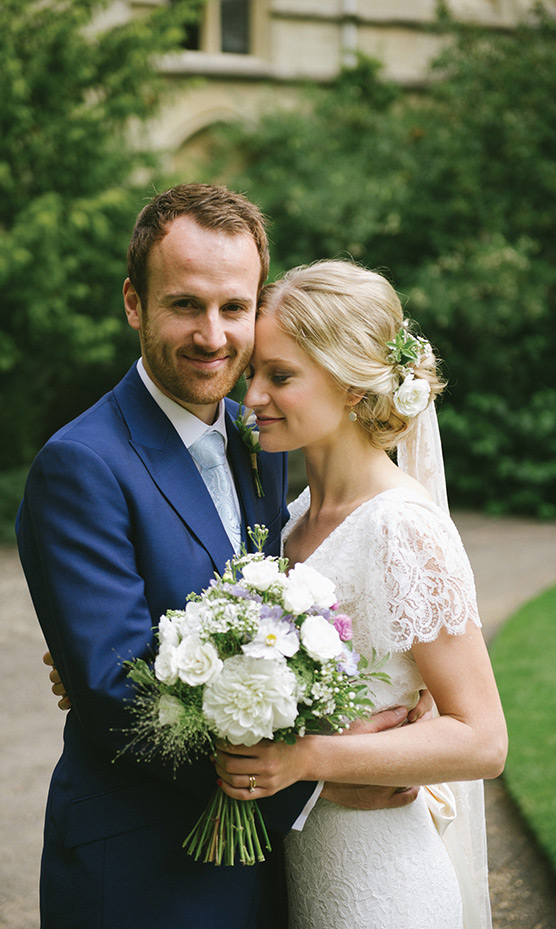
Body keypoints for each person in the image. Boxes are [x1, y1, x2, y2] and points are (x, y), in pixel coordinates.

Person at [17, 185, 427, 929]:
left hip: (273, 871)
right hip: (148, 874)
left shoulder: (261, 438)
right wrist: (319, 776)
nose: (213, 335)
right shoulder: (79, 465)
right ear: (134, 303)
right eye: (184, 304)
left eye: (234, 307)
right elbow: (117, 694)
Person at [213, 259, 508, 929]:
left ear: (351, 387)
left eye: (279, 375)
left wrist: (307, 759)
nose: (251, 395)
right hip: (306, 874)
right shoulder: (295, 517)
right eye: (255, 371)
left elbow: (484, 738)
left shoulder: (403, 526)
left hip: (384, 889)